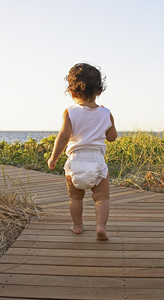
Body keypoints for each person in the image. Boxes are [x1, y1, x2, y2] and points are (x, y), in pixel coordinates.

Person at [47, 63, 117, 240]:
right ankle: (100, 226)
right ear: (99, 91)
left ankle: (77, 226)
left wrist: (53, 158)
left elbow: (63, 137)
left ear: (71, 92)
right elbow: (112, 137)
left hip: (75, 160)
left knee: (75, 198)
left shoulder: (70, 112)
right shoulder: (106, 113)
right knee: (102, 199)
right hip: (97, 160)